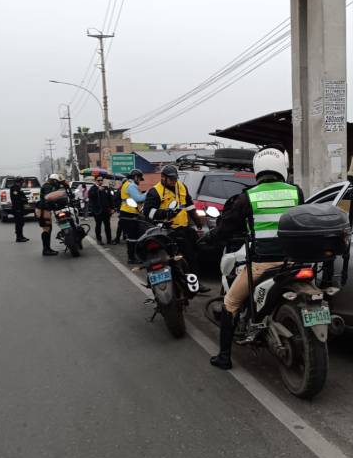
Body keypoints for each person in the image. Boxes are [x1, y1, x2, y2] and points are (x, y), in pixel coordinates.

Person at [202, 147, 303, 370]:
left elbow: (226, 226)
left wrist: (210, 238)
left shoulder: (249, 196)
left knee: (230, 303)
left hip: (263, 264)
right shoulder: (296, 192)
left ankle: (224, 357)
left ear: (258, 169)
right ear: (282, 169)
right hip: (294, 262)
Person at [142, 164, 210, 292]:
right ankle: (161, 282)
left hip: (183, 228)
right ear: (163, 178)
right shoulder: (155, 191)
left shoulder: (182, 186)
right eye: (171, 179)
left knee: (194, 254)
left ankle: (194, 283)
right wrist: (165, 213)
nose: (174, 182)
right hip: (165, 230)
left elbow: (189, 205)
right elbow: (148, 212)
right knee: (167, 258)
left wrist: (196, 220)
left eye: (175, 179)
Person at [37, 173, 70, 256]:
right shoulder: (47, 186)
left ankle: (47, 248)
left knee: (49, 229)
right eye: (57, 182)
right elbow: (51, 196)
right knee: (46, 229)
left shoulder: (50, 186)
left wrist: (64, 184)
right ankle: (46, 250)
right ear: (54, 181)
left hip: (45, 209)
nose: (58, 184)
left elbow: (59, 192)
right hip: (43, 210)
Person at [119, 169, 147, 264]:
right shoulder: (131, 186)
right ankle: (132, 258)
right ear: (135, 177)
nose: (139, 181)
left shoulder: (127, 184)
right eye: (139, 179)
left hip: (127, 213)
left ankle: (132, 257)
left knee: (132, 236)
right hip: (129, 214)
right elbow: (139, 198)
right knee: (133, 237)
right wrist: (149, 192)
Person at [87, 176, 113, 245]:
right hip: (97, 211)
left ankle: (109, 240)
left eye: (101, 180)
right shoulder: (93, 188)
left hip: (106, 211)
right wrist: (98, 190)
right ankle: (99, 240)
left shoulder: (106, 188)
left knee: (107, 225)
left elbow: (110, 198)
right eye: (98, 180)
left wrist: (112, 208)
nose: (100, 181)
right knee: (98, 226)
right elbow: (90, 196)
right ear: (96, 181)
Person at [9, 177, 29, 242]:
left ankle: (21, 236)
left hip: (20, 208)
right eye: (22, 182)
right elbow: (16, 199)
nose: (23, 183)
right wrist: (23, 200)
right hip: (17, 208)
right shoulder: (14, 188)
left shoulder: (18, 188)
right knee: (19, 223)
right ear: (19, 182)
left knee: (21, 223)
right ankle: (19, 237)